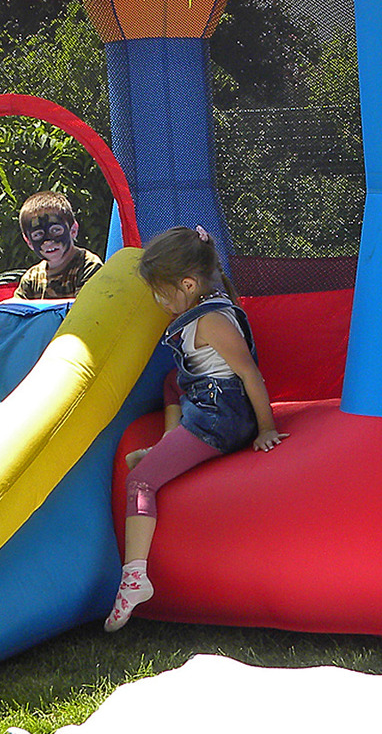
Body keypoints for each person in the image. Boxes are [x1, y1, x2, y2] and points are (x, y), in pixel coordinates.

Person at [105, 225, 286, 631]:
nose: (158, 301)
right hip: (209, 407)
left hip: (219, 419)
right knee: (172, 380)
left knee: (140, 481)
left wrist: (266, 428)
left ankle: (134, 578)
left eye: (161, 292)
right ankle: (170, 443)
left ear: (188, 284)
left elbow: (249, 374)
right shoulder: (202, 310)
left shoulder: (211, 322)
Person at [13, 190, 103, 300]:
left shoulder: (88, 266)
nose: (48, 241)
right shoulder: (31, 278)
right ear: (29, 242)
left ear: (73, 230)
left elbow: (85, 306)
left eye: (56, 230)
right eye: (38, 234)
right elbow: (17, 308)